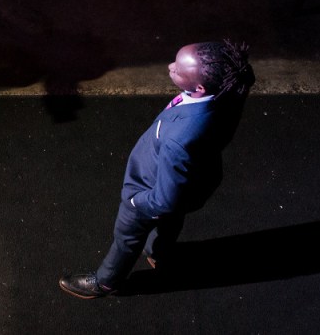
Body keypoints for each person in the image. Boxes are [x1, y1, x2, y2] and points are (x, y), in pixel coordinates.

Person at [59, 39, 256, 299]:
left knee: (127, 237)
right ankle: (158, 253)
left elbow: (164, 200)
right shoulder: (232, 87)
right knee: (171, 221)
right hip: (197, 180)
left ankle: (107, 282)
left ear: (199, 87)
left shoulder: (179, 139)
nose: (170, 66)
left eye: (177, 69)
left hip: (151, 188)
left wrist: (134, 200)